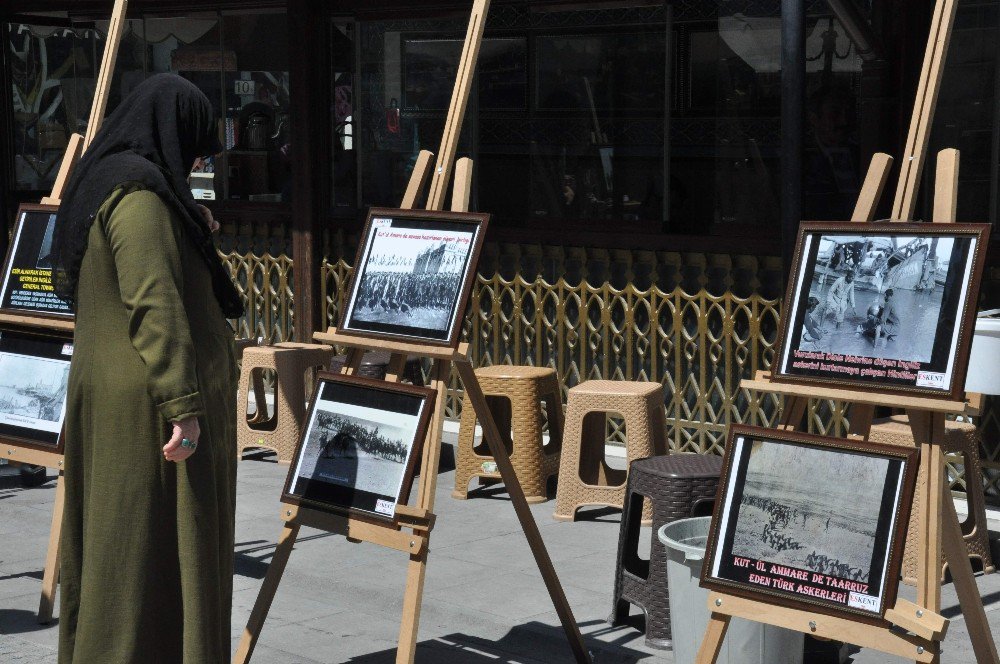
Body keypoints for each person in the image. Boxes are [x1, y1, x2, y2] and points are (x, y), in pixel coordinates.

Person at [51, 74, 244, 664]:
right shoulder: (138, 198)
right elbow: (153, 305)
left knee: (126, 550)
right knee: (141, 556)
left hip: (120, 401)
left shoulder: (115, 183)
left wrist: (190, 227)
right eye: (195, 145)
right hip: (148, 414)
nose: (197, 159)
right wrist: (184, 408)